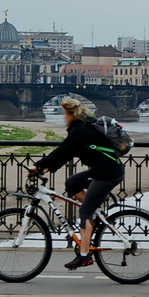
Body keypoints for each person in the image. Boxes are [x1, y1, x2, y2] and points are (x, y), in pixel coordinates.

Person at [27, 98, 126, 270]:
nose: (64, 117)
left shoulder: (79, 131)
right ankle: (94, 215)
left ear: (71, 114)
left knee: (85, 211)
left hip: (107, 173)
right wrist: (48, 166)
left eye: (65, 114)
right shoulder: (83, 126)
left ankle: (84, 255)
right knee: (72, 183)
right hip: (104, 169)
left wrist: (40, 165)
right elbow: (67, 152)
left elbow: (63, 150)